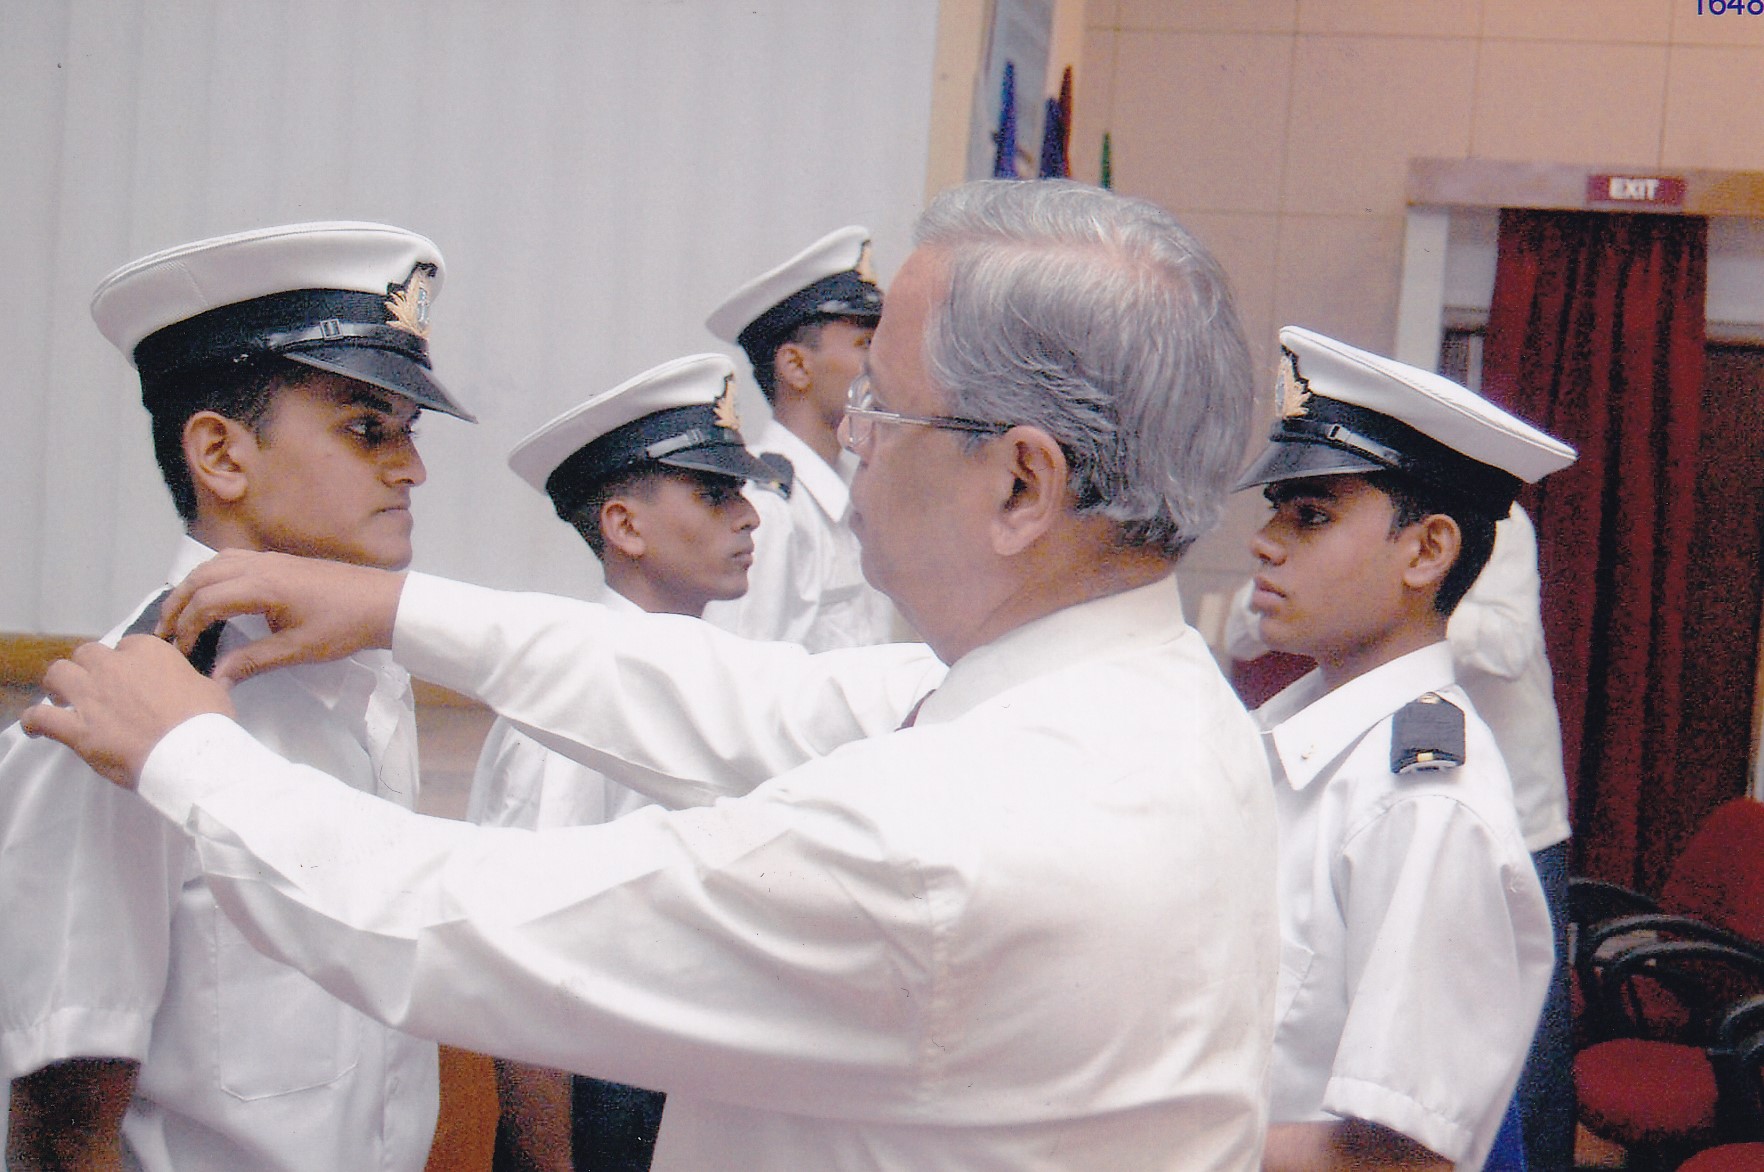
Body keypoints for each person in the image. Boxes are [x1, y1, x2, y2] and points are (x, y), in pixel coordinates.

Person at [24, 179, 1278, 1170]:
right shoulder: (1138, 705)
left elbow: (465, 923)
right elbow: (756, 704)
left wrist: (185, 755)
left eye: (882, 410)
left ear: (1021, 483)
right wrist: (401, 611)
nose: (846, 442)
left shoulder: (956, 840)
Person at [0, 222, 475, 1170]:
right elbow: (63, 1124)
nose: (411, 468)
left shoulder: (366, 683)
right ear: (221, 455)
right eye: (367, 429)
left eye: (409, 431)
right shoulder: (114, 713)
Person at [1235, 326, 1574, 1172]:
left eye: (1311, 516)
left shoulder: (1423, 809)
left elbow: (1403, 1157)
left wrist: (1151, 1146)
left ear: (1426, 552)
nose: (1265, 541)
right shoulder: (1305, 742)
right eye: (1276, 509)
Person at [470, 353, 784, 1171]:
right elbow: (523, 965)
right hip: (603, 1101)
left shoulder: (713, 675)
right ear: (625, 527)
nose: (749, 517)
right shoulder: (572, 695)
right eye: (714, 494)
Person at [700, 225, 896, 649]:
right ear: (796, 367)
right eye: (865, 344)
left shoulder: (852, 491)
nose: (883, 365)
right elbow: (739, 672)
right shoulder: (767, 510)